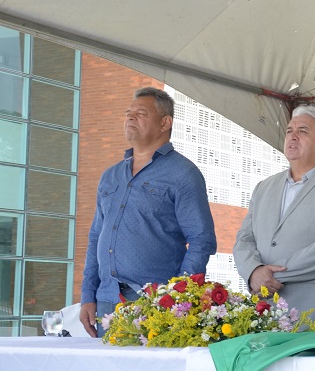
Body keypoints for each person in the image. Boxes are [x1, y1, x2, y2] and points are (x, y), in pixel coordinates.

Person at [80, 87, 216, 337]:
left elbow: (201, 240)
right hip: (106, 300)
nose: (130, 117)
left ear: (165, 122)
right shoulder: (110, 176)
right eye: (128, 113)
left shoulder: (184, 174)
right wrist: (88, 295)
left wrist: (178, 297)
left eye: (141, 113)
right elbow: (96, 237)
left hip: (154, 304)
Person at [233, 106, 315, 329]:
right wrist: (253, 271)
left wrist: (271, 276)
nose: (292, 136)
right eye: (289, 131)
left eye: (303, 131)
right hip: (268, 312)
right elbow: (244, 239)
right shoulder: (264, 187)